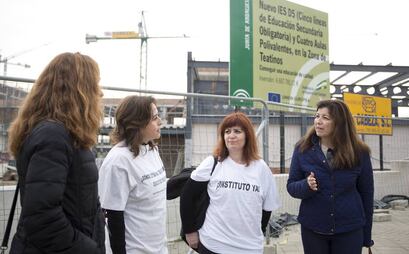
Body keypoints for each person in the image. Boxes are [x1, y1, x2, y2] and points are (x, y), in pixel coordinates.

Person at [8, 52, 105, 253]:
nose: (100, 92)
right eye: (95, 84)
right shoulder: (53, 136)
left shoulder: (65, 134)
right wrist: (88, 248)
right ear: (78, 89)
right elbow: (42, 217)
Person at [181, 112, 280, 254]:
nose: (231, 135)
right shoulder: (213, 163)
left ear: (248, 135)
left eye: (237, 131)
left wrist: (256, 232)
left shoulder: (261, 168)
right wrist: (190, 231)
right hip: (213, 245)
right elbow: (187, 196)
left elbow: (267, 209)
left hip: (249, 248)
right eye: (227, 131)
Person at [287, 99, 374, 254]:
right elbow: (291, 186)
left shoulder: (360, 152)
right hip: (313, 229)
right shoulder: (302, 149)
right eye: (317, 116)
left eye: (325, 118)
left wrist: (366, 237)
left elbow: (367, 195)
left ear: (340, 123)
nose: (318, 122)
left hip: (350, 230)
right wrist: (306, 186)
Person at [98, 95, 167, 254]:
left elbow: (151, 193)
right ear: (138, 123)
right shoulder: (118, 161)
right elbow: (112, 217)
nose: (160, 122)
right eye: (154, 117)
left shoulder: (151, 149)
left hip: (159, 248)